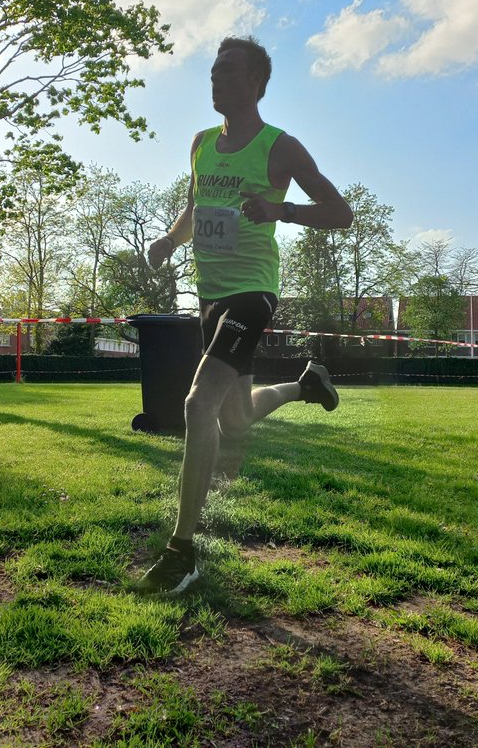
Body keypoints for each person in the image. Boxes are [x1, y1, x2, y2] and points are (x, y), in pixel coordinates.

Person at [137, 35, 353, 595]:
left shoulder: (281, 147)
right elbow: (194, 208)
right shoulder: (200, 143)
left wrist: (279, 208)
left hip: (253, 293)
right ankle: (308, 386)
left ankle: (181, 551)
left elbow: (340, 213)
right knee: (234, 417)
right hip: (211, 296)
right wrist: (168, 240)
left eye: (229, 71)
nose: (216, 79)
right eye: (212, 72)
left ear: (258, 83)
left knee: (197, 404)